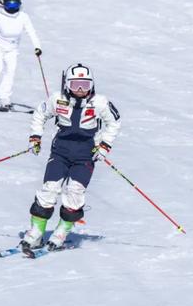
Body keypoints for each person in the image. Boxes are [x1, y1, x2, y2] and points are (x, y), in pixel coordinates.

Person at [20, 63, 121, 251]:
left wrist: (104, 146)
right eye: (75, 85)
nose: (80, 89)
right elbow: (40, 114)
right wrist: (35, 137)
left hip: (85, 155)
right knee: (49, 189)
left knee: (75, 192)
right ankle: (36, 232)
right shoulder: (57, 99)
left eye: (85, 84)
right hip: (61, 152)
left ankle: (61, 233)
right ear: (67, 84)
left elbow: (114, 122)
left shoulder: (99, 102)